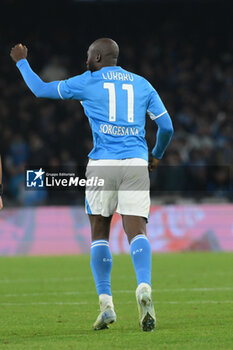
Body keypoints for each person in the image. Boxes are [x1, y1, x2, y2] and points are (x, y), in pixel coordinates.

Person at [10, 39, 173, 331]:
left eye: (88, 55)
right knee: (137, 230)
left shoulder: (87, 81)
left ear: (97, 56)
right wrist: (156, 156)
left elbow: (39, 89)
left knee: (100, 232)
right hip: (135, 162)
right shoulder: (142, 84)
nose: (85, 59)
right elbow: (167, 127)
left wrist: (22, 61)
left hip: (102, 164)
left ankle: (106, 304)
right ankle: (144, 286)